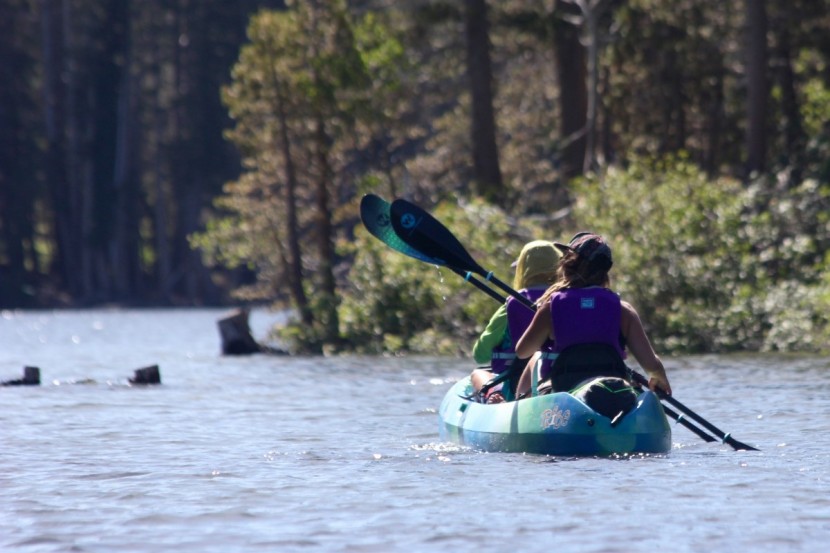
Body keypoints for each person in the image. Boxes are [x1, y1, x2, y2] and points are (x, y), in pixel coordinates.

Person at [514, 232, 671, 398]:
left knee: (536, 357)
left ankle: (518, 405)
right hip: (613, 389)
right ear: (605, 271)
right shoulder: (624, 311)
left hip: (565, 390)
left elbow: (522, 351)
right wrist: (660, 377)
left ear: (568, 265)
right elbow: (651, 365)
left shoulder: (551, 308)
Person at [470, 240, 560, 403]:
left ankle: (494, 394)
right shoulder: (565, 301)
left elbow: (480, 355)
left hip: (513, 384)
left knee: (478, 373)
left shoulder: (510, 306)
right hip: (558, 378)